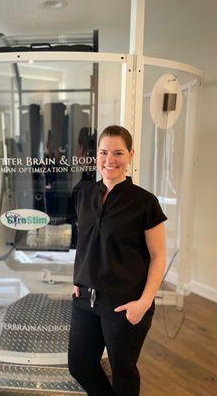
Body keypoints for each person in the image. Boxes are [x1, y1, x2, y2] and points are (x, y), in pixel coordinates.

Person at [68, 125, 167, 396]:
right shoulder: (84, 194)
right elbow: (86, 242)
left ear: (130, 155)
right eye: (103, 152)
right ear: (95, 155)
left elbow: (159, 256)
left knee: (123, 372)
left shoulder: (145, 202)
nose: (109, 160)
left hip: (126, 304)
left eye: (117, 152)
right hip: (86, 299)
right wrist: (78, 278)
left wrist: (144, 303)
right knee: (80, 365)